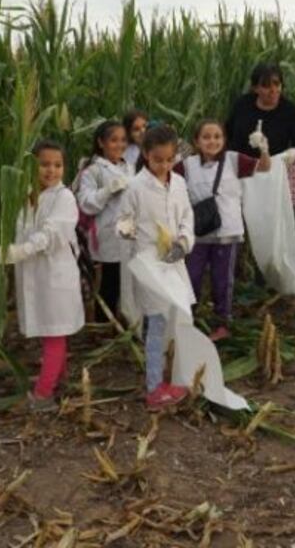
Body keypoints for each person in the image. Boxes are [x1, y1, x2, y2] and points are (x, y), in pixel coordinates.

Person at [0, 140, 84, 412]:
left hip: (55, 275)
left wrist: (23, 250)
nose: (51, 171)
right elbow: (17, 224)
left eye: (57, 165)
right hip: (36, 274)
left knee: (55, 332)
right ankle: (60, 380)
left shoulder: (64, 197)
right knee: (52, 332)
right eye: (44, 164)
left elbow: (54, 233)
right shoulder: (27, 194)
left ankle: (43, 395)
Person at [116, 125, 193, 411]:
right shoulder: (135, 187)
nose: (163, 165)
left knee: (181, 318)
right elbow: (125, 220)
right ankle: (153, 387)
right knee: (157, 324)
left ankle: (177, 377)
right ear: (146, 155)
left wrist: (184, 242)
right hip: (149, 264)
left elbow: (187, 217)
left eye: (169, 159)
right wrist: (125, 230)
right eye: (157, 159)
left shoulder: (180, 185)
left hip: (174, 260)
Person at [174, 119, 270, 341]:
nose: (212, 141)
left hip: (227, 232)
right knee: (192, 277)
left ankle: (223, 322)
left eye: (217, 136)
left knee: (222, 280)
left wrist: (263, 149)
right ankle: (190, 320)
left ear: (224, 140)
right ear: (196, 142)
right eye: (206, 137)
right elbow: (165, 175)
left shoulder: (234, 160)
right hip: (197, 233)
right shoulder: (187, 165)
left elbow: (265, 167)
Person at [74, 120, 134, 322]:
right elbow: (86, 203)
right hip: (109, 234)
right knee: (110, 282)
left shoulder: (129, 167)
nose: (119, 145)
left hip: (130, 233)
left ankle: (125, 320)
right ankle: (103, 324)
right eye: (113, 140)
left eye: (123, 140)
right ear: (101, 142)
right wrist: (108, 190)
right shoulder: (93, 170)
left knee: (127, 281)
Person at [225, 62, 295, 163]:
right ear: (255, 88)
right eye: (266, 86)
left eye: (276, 84)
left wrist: (292, 154)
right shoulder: (242, 105)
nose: (273, 90)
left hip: (274, 170)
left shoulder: (291, 113)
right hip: (239, 167)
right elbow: (227, 135)